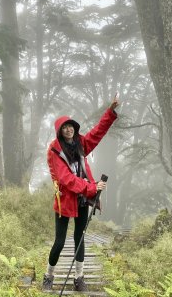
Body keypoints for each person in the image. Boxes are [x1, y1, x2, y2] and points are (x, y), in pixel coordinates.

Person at [42, 95, 119, 292]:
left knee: (80, 238)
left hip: (83, 200)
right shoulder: (54, 152)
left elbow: (96, 134)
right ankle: (48, 275)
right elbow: (66, 179)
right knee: (59, 242)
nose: (69, 129)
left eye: (72, 126)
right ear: (59, 131)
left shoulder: (80, 143)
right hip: (65, 201)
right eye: (65, 127)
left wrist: (110, 113)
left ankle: (79, 278)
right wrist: (93, 188)